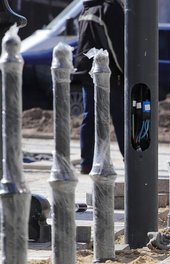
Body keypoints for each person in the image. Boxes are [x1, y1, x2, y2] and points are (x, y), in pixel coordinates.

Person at [74, 0, 125, 174]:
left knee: (90, 116)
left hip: (88, 69)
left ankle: (86, 162)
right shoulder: (109, 9)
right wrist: (126, 71)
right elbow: (116, 45)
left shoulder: (87, 8)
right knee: (121, 117)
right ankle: (132, 158)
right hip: (109, 72)